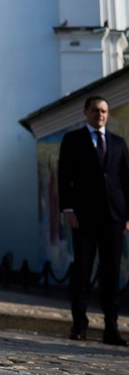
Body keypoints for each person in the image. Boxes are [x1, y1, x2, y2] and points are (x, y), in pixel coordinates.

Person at [58, 95, 129, 344]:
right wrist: (67, 208)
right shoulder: (73, 140)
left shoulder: (118, 143)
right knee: (83, 271)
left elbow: (125, 181)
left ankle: (111, 328)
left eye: (105, 111)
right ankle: (79, 325)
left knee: (111, 273)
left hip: (114, 217)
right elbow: (64, 175)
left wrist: (127, 215)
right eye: (96, 110)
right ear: (86, 112)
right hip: (84, 216)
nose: (100, 115)